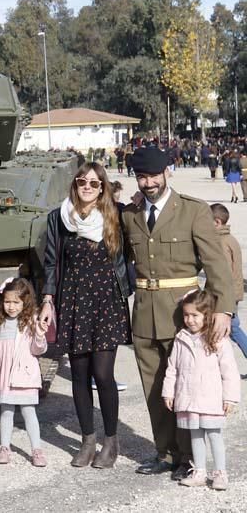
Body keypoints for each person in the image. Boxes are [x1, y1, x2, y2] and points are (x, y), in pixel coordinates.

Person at [119, 146, 235, 480]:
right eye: (141, 177)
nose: (148, 182)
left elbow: (216, 265)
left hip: (183, 318)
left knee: (187, 389)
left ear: (167, 172)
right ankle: (165, 452)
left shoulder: (193, 211)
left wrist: (224, 311)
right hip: (144, 314)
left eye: (153, 175)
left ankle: (190, 458)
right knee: (155, 389)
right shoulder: (131, 214)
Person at [40, 162, 131, 468]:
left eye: (94, 183)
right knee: (79, 376)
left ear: (103, 186)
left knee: (103, 375)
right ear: (75, 184)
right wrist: (48, 300)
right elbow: (51, 262)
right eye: (82, 182)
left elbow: (132, 251)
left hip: (106, 302)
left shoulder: (115, 216)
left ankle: (111, 441)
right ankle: (88, 440)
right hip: (74, 301)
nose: (88, 187)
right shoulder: (59, 218)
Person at [162, 291, 240, 489]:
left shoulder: (217, 339)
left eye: (195, 315)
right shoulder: (181, 338)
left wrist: (229, 398)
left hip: (210, 398)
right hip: (188, 397)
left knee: (214, 435)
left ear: (207, 314)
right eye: (186, 315)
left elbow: (229, 370)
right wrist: (169, 392)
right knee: (195, 435)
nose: (190, 320)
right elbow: (173, 368)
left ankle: (221, 473)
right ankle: (199, 472)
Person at [0, 278, 47, 467]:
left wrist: (41, 335)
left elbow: (37, 350)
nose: (11, 307)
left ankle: (36, 450)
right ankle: (4, 447)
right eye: (7, 302)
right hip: (4, 374)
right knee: (6, 412)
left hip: (24, 375)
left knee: (29, 412)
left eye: (16, 302)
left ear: (25, 302)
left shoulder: (31, 321)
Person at [210, 203, 247, 362]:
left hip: (226, 294)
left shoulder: (221, 242)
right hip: (233, 291)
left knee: (233, 329)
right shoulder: (228, 238)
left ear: (217, 222)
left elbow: (223, 273)